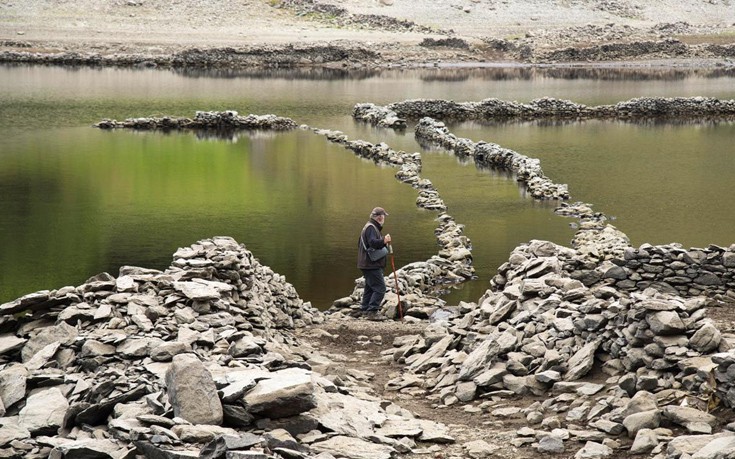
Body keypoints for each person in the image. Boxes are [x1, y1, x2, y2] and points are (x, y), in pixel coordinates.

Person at [357, 207, 392, 320]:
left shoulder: (368, 226)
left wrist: (382, 241)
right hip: (371, 264)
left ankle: (365, 309)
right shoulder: (371, 228)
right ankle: (372, 311)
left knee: (370, 287)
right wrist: (384, 241)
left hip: (366, 263)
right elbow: (372, 243)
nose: (384, 218)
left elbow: (362, 244)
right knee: (380, 288)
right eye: (383, 216)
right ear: (380, 217)